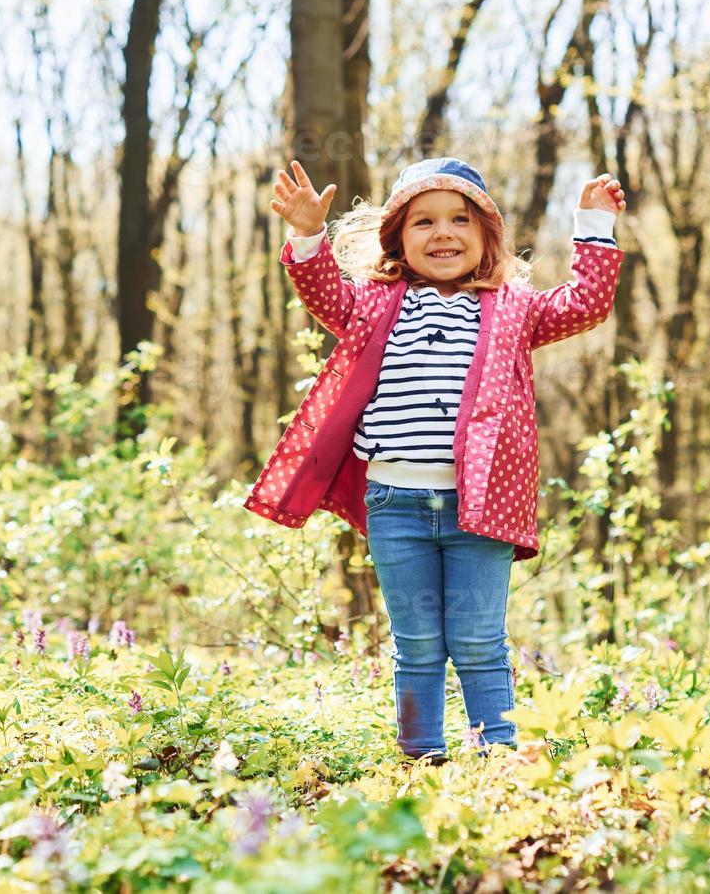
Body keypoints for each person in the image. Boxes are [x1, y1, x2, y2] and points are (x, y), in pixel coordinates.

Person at [244, 156, 626, 763]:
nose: (443, 233)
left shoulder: (511, 309)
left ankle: (497, 760)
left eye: (460, 220)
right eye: (424, 222)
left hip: (482, 508)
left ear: (487, 237)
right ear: (398, 237)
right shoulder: (372, 304)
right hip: (396, 505)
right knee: (417, 642)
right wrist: (306, 233)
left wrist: (593, 226)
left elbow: (584, 304)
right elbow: (318, 290)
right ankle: (421, 759)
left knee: (478, 642)